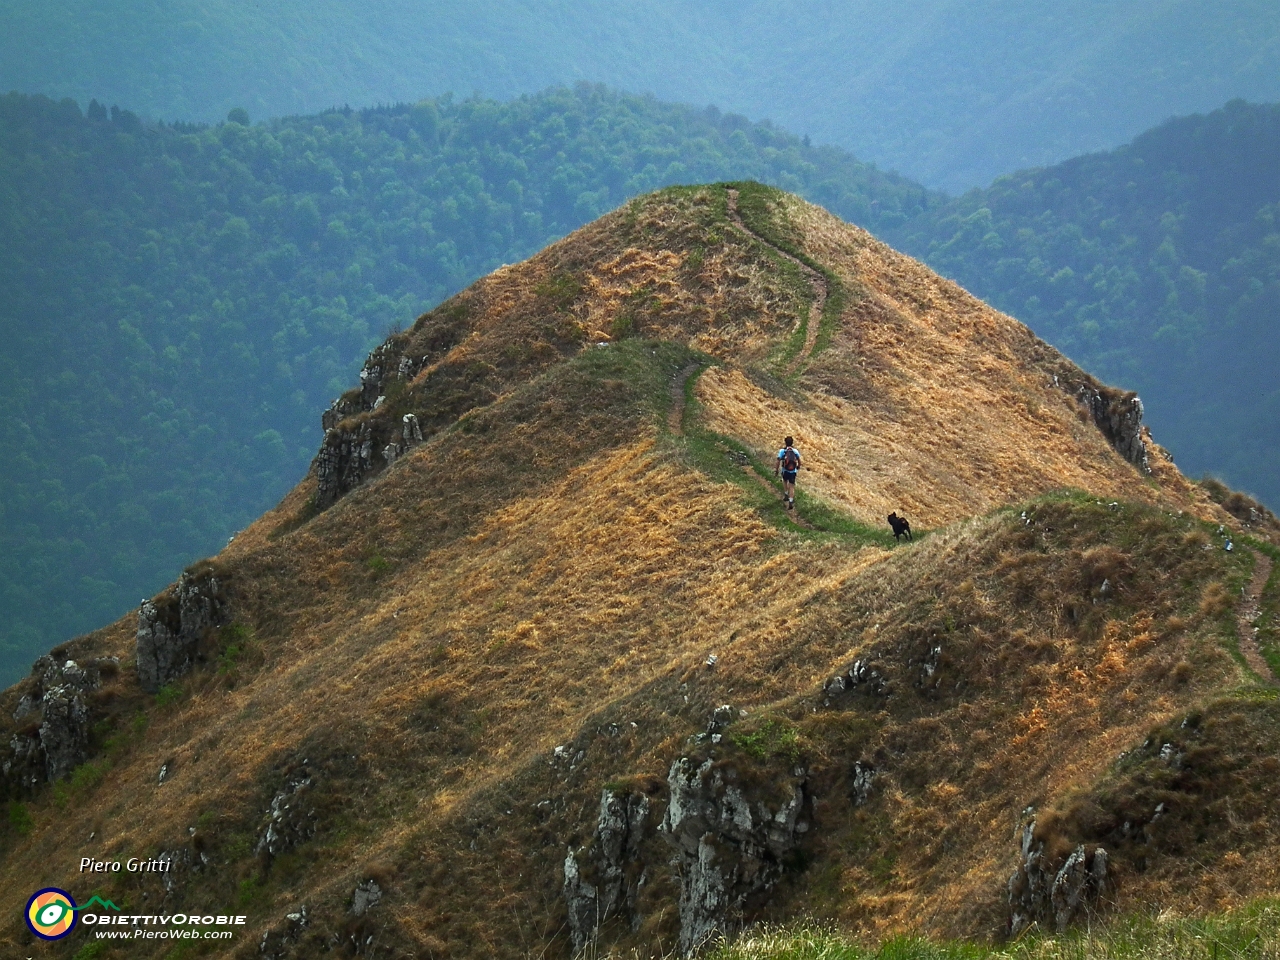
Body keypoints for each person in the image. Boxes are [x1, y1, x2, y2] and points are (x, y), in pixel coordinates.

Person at [775, 436, 802, 509]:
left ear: (785, 442)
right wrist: (798, 467)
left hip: (785, 470)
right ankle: (791, 501)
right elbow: (799, 461)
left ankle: (786, 494)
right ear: (792, 443)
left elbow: (778, 461)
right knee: (792, 486)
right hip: (793, 472)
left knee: (784, 481)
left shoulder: (782, 451)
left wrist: (776, 470)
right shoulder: (795, 451)